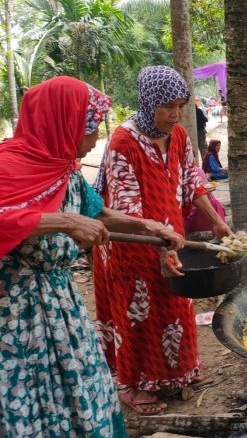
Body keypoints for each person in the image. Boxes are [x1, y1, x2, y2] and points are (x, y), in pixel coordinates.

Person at [0, 76, 184, 433]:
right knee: (32, 397)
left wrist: (150, 227)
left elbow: (98, 212)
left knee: (80, 387)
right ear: (63, 123)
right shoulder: (8, 168)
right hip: (16, 316)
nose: (96, 139)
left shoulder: (64, 168)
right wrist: (62, 221)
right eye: (91, 129)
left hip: (61, 305)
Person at [92, 66, 233, 415]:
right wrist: (157, 243)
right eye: (167, 106)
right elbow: (125, 205)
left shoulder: (180, 135)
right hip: (131, 241)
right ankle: (134, 385)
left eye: (181, 105)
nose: (175, 113)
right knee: (139, 313)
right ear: (149, 101)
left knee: (174, 304)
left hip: (171, 235)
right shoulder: (124, 142)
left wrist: (217, 222)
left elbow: (192, 183)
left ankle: (175, 376)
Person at [185, 168, 227, 234]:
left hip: (199, 212)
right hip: (183, 214)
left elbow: (201, 191)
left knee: (213, 202)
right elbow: (215, 168)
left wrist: (208, 194)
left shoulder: (198, 171)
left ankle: (220, 230)